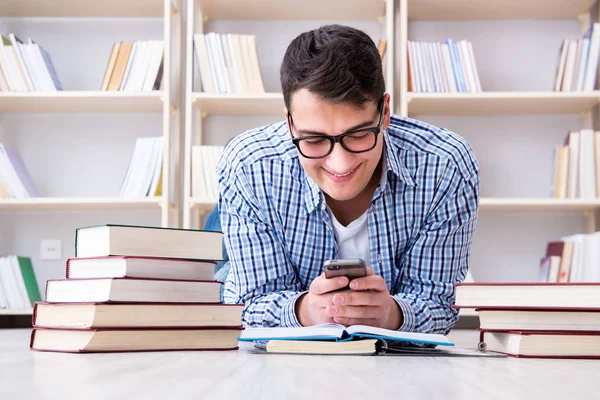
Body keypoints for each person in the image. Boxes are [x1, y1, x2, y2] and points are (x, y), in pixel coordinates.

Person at [216, 24, 479, 334]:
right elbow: (250, 303)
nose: (339, 165)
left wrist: (391, 315)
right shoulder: (248, 166)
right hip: (252, 225)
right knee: (219, 281)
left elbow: (438, 303)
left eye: (358, 135)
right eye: (314, 140)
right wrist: (305, 312)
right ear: (289, 123)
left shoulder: (445, 167)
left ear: (386, 112)